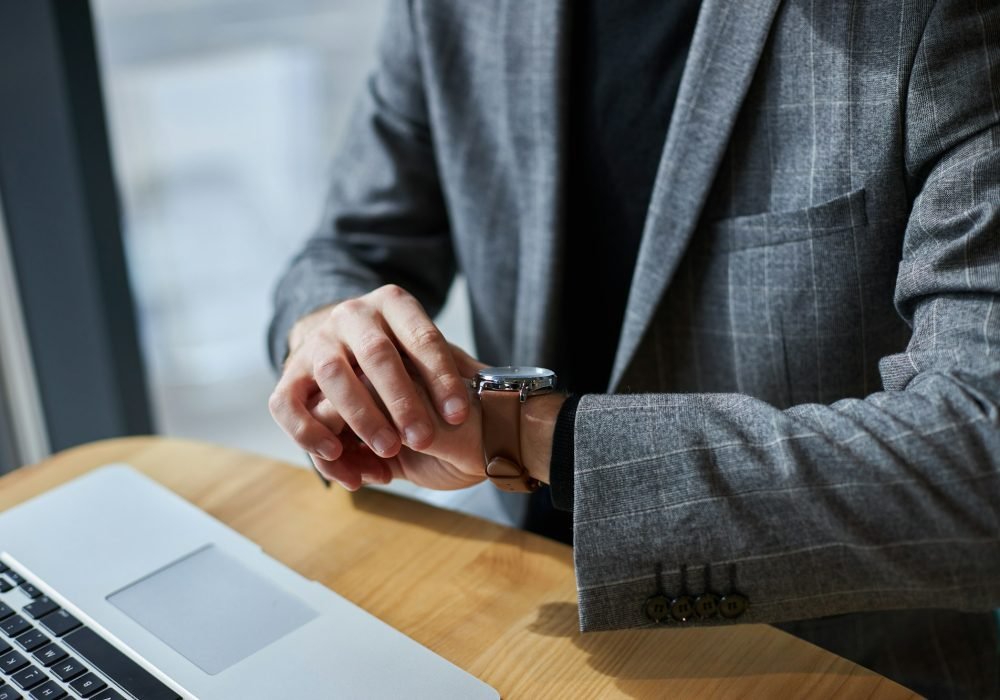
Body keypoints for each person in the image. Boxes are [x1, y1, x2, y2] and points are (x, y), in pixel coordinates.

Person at [268, 0, 1000, 696]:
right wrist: (331, 337)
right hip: (514, 619)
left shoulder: (939, 18)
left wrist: (526, 434)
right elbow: (351, 246)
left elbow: (980, 454)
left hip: (827, 664)